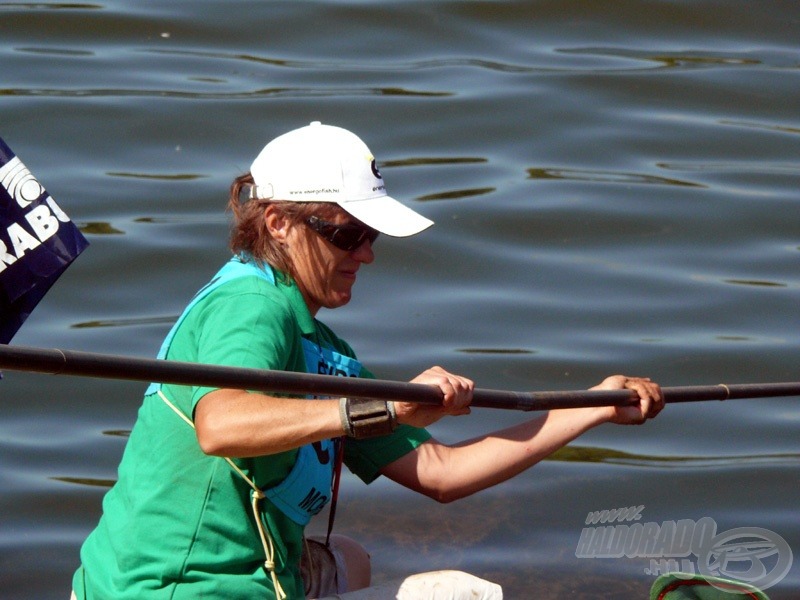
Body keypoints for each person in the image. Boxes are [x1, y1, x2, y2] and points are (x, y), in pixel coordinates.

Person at [71, 121, 664, 600]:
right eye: (345, 235)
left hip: (208, 576)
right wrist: (376, 409)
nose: (366, 255)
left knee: (350, 559)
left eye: (371, 237)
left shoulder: (326, 348)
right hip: (173, 590)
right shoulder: (251, 304)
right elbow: (221, 426)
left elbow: (440, 473)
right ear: (277, 223)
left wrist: (595, 406)